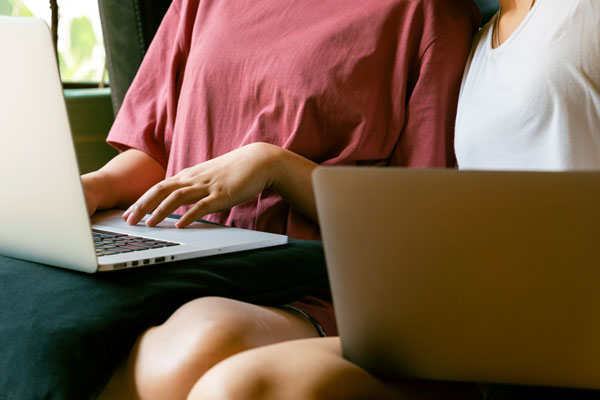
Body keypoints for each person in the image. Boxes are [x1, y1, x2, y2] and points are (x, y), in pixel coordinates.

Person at [170, 0, 600, 399]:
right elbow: (422, 225)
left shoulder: (580, 17)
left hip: (562, 320)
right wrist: (274, 165)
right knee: (231, 384)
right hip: (473, 317)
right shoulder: (477, 46)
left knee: (236, 383)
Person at [81, 0, 481, 398]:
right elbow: (157, 152)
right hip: (178, 256)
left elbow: (415, 221)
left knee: (198, 347)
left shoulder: (430, 15)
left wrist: (276, 166)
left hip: (313, 280)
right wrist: (96, 187)